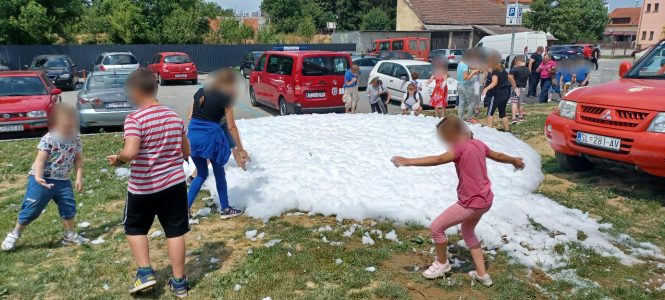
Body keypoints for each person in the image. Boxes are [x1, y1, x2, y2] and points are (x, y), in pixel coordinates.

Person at [390, 116, 525, 286]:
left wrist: (408, 161)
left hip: (470, 203)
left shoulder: (460, 149)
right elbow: (497, 155)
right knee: (468, 232)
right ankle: (482, 274)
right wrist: (514, 160)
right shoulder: (479, 144)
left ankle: (441, 264)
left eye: (444, 139)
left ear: (451, 136)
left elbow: (438, 159)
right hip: (486, 201)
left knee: (437, 227)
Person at [106, 69, 191, 297]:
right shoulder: (175, 117)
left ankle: (145, 272)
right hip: (174, 186)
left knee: (134, 228)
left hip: (144, 187)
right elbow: (186, 151)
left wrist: (119, 159)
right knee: (175, 232)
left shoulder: (135, 119)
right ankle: (179, 282)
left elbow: (131, 151)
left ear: (135, 91)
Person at [1, 104, 87, 251]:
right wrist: (38, 177)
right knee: (32, 209)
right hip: (42, 180)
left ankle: (70, 235)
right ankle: (14, 234)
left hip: (63, 181)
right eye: (65, 125)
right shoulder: (49, 138)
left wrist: (79, 178)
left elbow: (78, 159)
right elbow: (40, 160)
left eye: (72, 124)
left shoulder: (76, 138)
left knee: (68, 208)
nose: (69, 128)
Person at [186, 70, 248, 218]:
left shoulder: (200, 92)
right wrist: (241, 149)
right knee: (219, 172)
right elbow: (231, 126)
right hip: (210, 138)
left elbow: (190, 115)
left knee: (201, 173)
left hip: (193, 136)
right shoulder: (226, 98)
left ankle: (184, 209)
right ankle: (225, 209)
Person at [482, 59, 512, 131]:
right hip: (505, 94)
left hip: (496, 95)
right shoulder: (504, 71)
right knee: (502, 113)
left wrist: (486, 89)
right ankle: (507, 129)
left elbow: (494, 83)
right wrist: (515, 87)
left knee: (490, 112)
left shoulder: (495, 72)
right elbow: (511, 78)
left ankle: (490, 130)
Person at [456, 58, 480, 122]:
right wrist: (473, 73)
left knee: (461, 102)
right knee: (471, 102)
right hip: (466, 86)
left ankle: (460, 118)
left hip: (459, 85)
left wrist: (474, 71)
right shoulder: (465, 65)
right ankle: (469, 118)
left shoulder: (460, 64)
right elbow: (465, 77)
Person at [508, 56, 529, 124]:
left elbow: (510, 77)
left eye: (515, 63)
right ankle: (521, 116)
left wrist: (514, 87)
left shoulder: (515, 69)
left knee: (514, 103)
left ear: (518, 62)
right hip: (523, 87)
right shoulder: (527, 69)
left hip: (516, 87)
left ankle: (514, 118)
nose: (515, 64)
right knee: (520, 103)